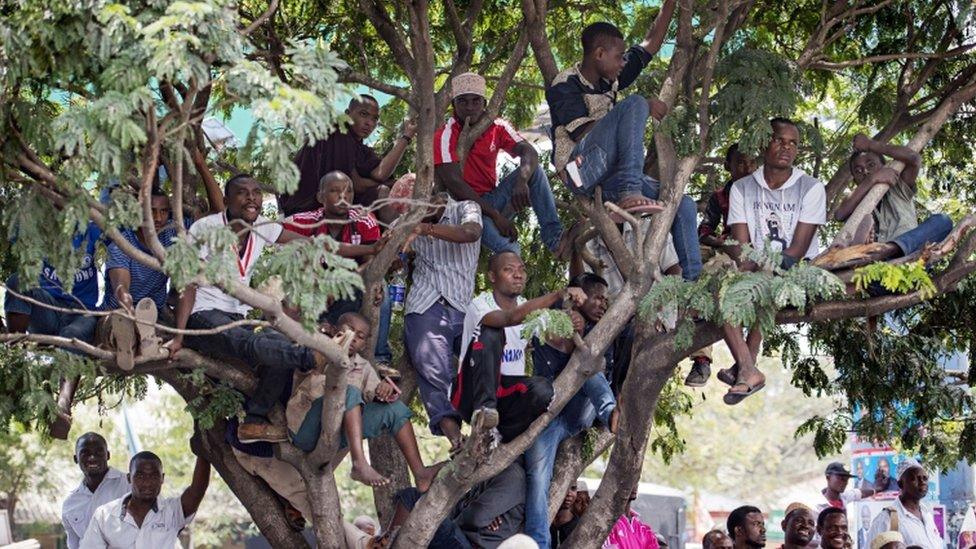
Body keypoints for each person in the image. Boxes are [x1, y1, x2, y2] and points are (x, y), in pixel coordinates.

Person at [167, 174, 329, 443]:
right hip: (203, 315)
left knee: (276, 343)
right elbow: (187, 286)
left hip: (238, 315)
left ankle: (253, 421)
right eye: (243, 193)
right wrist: (179, 336)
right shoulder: (203, 229)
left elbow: (299, 241)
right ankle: (312, 358)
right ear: (227, 201)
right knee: (252, 343)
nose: (252, 197)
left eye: (256, 192)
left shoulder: (262, 226)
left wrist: (329, 253)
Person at [545, 8, 704, 282]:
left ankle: (692, 286)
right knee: (635, 103)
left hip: (611, 176)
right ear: (599, 54)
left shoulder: (611, 78)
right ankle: (630, 192)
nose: (622, 63)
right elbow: (585, 134)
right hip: (579, 170)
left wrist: (670, 6)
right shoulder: (565, 84)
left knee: (684, 205)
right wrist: (639, 109)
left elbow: (648, 45)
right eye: (618, 57)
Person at [721, 117, 827, 404]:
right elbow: (743, 250)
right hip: (756, 266)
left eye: (793, 143)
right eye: (780, 140)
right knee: (725, 289)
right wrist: (744, 275)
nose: (786, 148)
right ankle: (748, 369)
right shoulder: (742, 188)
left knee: (761, 284)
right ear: (763, 143)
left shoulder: (811, 187)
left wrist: (756, 273)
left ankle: (744, 366)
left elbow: (797, 249)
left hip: (799, 270)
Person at [287, 312, 440, 490]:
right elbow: (301, 345)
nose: (353, 338)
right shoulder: (317, 349)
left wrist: (383, 392)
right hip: (306, 428)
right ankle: (359, 462)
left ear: (364, 344)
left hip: (336, 432)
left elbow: (373, 395)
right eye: (349, 330)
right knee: (348, 390)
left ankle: (420, 474)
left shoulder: (364, 366)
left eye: (360, 337)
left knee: (395, 409)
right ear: (335, 330)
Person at [523, 274, 619, 547]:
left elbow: (601, 371)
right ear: (580, 297)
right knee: (538, 477)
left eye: (606, 299)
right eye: (598, 297)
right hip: (549, 416)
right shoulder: (551, 318)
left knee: (587, 365)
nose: (603, 304)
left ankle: (610, 412)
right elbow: (535, 328)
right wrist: (566, 321)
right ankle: (538, 543)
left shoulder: (603, 329)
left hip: (582, 412)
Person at [451, 252, 585, 442]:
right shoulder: (479, 305)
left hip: (505, 395)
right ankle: (484, 413)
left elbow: (563, 346)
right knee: (492, 331)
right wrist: (557, 294)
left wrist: (574, 326)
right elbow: (508, 318)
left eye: (522, 269)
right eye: (509, 270)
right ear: (492, 277)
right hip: (472, 392)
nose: (518, 274)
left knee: (543, 391)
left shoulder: (527, 307)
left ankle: (498, 435)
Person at [435, 72, 569, 257]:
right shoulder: (445, 135)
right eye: (463, 102)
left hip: (493, 199)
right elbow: (455, 185)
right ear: (453, 105)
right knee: (510, 250)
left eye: (476, 101)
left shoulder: (496, 126)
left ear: (484, 103)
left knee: (534, 170)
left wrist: (522, 181)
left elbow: (528, 151)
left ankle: (555, 240)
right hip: (465, 210)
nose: (470, 107)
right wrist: (496, 216)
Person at [398, 182, 483, 451]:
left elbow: (471, 233)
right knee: (431, 368)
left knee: (485, 363)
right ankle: (456, 439)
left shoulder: (466, 208)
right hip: (426, 302)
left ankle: (490, 429)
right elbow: (391, 256)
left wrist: (425, 229)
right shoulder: (409, 220)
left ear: (433, 193)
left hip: (462, 306)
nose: (418, 213)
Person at [685, 144, 758, 386]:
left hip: (757, 254)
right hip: (726, 252)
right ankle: (702, 360)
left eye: (751, 162)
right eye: (740, 163)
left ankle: (745, 365)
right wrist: (722, 243)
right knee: (702, 277)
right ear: (728, 166)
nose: (747, 168)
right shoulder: (720, 197)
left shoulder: (764, 191)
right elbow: (703, 231)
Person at [283, 171, 387, 328]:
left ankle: (375, 351)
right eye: (334, 191)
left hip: (350, 281)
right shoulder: (300, 222)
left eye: (348, 190)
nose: (343, 196)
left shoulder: (364, 220)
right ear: (320, 197)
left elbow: (371, 263)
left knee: (377, 290)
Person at [282, 95, 416, 216]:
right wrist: (384, 183)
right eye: (364, 114)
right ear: (347, 114)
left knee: (397, 190)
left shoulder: (360, 148)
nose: (370, 123)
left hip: (334, 206)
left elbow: (380, 173)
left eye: (374, 119)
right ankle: (394, 241)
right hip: (305, 208)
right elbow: (354, 185)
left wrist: (407, 136)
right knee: (383, 192)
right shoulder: (337, 133)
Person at [832, 134, 952, 263]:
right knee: (863, 226)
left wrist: (870, 145)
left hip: (910, 260)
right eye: (858, 171)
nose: (865, 171)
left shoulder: (898, 186)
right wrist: (873, 179)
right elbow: (839, 214)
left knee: (943, 221)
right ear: (855, 180)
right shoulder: (855, 203)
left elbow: (914, 158)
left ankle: (890, 249)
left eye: (871, 165)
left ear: (885, 167)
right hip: (874, 271)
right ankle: (864, 256)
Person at [79, 449, 210, 548]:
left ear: (162, 478)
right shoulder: (104, 515)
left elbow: (197, 491)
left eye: (154, 476)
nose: (147, 483)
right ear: (129, 478)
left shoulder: (172, 511)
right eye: (140, 476)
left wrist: (203, 451)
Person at [392, 460, 527, 549]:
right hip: (460, 537)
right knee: (411, 497)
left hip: (469, 544)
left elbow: (477, 517)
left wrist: (470, 512)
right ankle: (386, 542)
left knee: (412, 497)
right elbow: (459, 507)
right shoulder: (490, 469)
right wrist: (470, 510)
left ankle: (385, 543)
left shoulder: (513, 475)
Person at [61, 433, 130, 549]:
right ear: (75, 458)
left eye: (99, 452)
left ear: (107, 455)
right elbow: (74, 545)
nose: (92, 457)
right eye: (85, 453)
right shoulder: (70, 504)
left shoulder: (129, 486)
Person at [866, 459, 944, 549]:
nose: (922, 482)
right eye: (914, 478)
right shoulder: (887, 519)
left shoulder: (927, 515)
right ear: (900, 484)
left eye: (925, 478)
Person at [550, 484, 579, 548]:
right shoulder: (542, 521)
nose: (569, 494)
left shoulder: (577, 526)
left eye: (573, 488)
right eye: (565, 487)